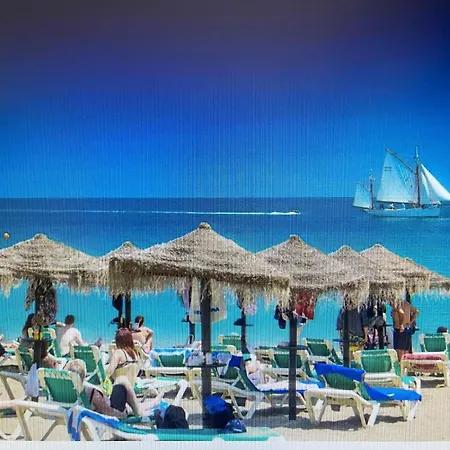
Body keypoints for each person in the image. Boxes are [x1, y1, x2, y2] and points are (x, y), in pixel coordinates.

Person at [65, 359, 157, 419]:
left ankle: (151, 403)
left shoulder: (66, 391)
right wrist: (122, 414)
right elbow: (107, 411)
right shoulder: (90, 392)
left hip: (95, 409)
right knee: (122, 380)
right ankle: (141, 411)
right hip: (111, 414)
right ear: (84, 375)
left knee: (131, 405)